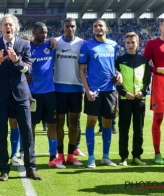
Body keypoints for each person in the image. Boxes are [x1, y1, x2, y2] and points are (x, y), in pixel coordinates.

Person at [0, 14, 41, 181]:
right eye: (5, 24)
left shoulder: (24, 44)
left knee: (27, 132)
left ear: (16, 28)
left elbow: (29, 70)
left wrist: (18, 62)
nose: (8, 27)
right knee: (0, 133)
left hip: (21, 95)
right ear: (1, 28)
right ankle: (4, 170)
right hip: (0, 96)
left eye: (11, 24)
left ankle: (31, 168)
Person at [79, 18, 122, 168]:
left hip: (110, 91)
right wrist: (87, 89)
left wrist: (119, 74)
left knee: (108, 123)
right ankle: (91, 157)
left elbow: (116, 67)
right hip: (93, 91)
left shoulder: (113, 45)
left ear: (106, 29)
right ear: (93, 29)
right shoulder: (87, 45)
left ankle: (106, 156)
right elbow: (82, 70)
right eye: (95, 26)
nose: (98, 28)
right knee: (91, 122)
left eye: (100, 26)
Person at [27, 22, 65, 169]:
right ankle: (31, 156)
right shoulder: (26, 48)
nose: (45, 34)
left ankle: (52, 158)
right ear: (34, 32)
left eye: (46, 32)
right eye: (42, 32)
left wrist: (51, 39)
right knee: (32, 126)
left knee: (52, 124)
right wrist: (25, 77)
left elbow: (59, 40)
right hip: (33, 93)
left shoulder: (50, 46)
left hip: (50, 92)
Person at [115, 32, 151, 166]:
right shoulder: (119, 60)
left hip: (139, 100)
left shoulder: (143, 60)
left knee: (139, 129)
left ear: (138, 43)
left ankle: (137, 156)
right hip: (125, 100)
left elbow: (147, 80)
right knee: (124, 128)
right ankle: (123, 157)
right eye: (128, 42)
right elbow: (116, 81)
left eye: (133, 42)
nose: (130, 45)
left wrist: (143, 92)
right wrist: (124, 92)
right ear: (125, 44)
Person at [54, 18, 85, 166]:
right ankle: (59, 155)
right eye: (67, 26)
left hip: (76, 89)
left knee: (73, 123)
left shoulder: (81, 43)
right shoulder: (55, 42)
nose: (70, 29)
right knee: (59, 123)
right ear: (63, 27)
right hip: (59, 89)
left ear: (76, 28)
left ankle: (71, 155)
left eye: (72, 26)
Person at [143, 18, 164, 164]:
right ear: (160, 26)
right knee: (158, 119)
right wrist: (156, 69)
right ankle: (157, 154)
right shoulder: (152, 43)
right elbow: (143, 64)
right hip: (159, 83)